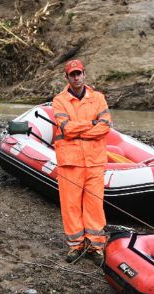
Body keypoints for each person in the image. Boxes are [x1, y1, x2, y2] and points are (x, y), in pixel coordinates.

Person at [51, 59, 111, 264]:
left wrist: (81, 131)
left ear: (84, 74)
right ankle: (75, 246)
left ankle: (95, 247)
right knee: (71, 206)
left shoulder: (98, 98)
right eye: (72, 74)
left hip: (94, 162)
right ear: (67, 77)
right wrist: (91, 124)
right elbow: (66, 128)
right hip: (70, 162)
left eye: (79, 73)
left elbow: (105, 125)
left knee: (95, 204)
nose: (76, 77)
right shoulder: (59, 101)